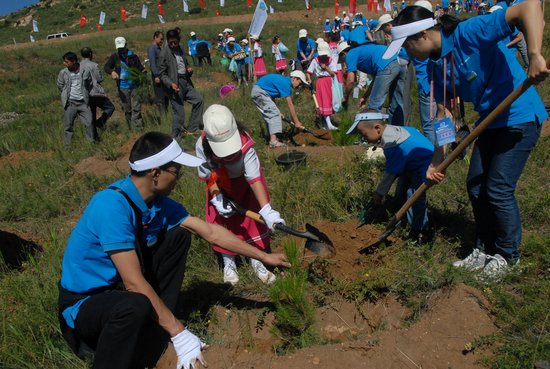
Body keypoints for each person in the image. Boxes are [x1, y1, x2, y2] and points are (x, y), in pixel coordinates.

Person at [57, 131, 291, 369]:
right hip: (86, 303)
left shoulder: (157, 204)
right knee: (134, 304)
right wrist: (180, 333)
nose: (178, 178)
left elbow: (211, 232)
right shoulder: (111, 207)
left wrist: (263, 255)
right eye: (176, 171)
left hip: (117, 289)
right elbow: (134, 284)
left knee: (178, 237)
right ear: (156, 173)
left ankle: (157, 328)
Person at [384, 1, 548, 277]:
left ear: (423, 35)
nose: (407, 53)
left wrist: (534, 55)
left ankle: (508, 255)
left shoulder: (469, 32)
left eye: (407, 46)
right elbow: (444, 115)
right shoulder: (435, 67)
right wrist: (437, 161)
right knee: (475, 186)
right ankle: (484, 248)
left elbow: (529, 7)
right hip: (489, 121)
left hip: (519, 117)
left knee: (497, 189)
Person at [195, 105, 285, 285]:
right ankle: (229, 263)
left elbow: (254, 178)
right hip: (220, 187)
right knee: (224, 224)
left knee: (252, 223)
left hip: (246, 187)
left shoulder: (245, 143)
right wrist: (217, 198)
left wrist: (266, 209)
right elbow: (208, 177)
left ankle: (257, 260)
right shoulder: (201, 146)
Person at [347, 110, 435, 243]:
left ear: (377, 128)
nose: (363, 138)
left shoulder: (393, 144)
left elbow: (390, 174)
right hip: (412, 162)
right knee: (401, 190)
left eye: (363, 134)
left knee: (414, 195)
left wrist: (380, 193)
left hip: (428, 165)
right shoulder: (394, 131)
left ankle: (421, 231)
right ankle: (402, 217)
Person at [338, 42, 406, 126]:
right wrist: (365, 96)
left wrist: (345, 97)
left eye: (342, 59)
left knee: (374, 106)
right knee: (396, 103)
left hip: (386, 65)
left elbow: (350, 81)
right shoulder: (363, 52)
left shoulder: (350, 54)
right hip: (398, 62)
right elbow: (376, 80)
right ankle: (398, 131)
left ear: (343, 53)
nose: (344, 62)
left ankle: (373, 134)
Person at [158, 29, 204, 138]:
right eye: (171, 43)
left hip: (186, 82)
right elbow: (162, 74)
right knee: (179, 113)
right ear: (168, 41)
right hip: (174, 85)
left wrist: (188, 68)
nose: (173, 45)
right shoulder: (164, 53)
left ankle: (192, 129)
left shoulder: (181, 49)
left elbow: (185, 63)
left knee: (198, 100)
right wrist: (170, 84)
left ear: (179, 40)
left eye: (175, 42)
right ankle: (175, 138)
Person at [251, 71, 310, 147]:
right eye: (300, 83)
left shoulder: (284, 80)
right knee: (274, 114)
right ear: (294, 79)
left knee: (272, 114)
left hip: (259, 91)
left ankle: (272, 138)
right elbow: (290, 104)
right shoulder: (286, 84)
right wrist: (297, 122)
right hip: (260, 92)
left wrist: (278, 111)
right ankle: (273, 141)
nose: (300, 86)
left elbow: (271, 96)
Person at [104, 36, 146, 131]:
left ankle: (137, 129)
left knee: (136, 107)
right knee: (127, 109)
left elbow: (139, 67)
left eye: (122, 47)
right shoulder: (115, 57)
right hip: (123, 87)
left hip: (135, 85)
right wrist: (112, 72)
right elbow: (106, 67)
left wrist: (143, 72)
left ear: (126, 45)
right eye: (119, 48)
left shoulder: (133, 56)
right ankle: (131, 127)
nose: (121, 50)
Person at [57, 51, 95, 146]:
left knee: (89, 123)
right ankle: (68, 146)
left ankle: (91, 143)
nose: (64, 64)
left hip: (83, 103)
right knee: (68, 126)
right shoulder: (63, 73)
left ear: (73, 61)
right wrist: (66, 95)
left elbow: (90, 84)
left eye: (66, 62)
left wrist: (86, 95)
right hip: (70, 103)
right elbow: (60, 85)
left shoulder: (85, 70)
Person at [80, 47, 115, 131]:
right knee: (110, 107)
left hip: (84, 94)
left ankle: (94, 136)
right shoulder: (94, 65)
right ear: (90, 54)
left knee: (92, 115)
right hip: (95, 93)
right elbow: (99, 79)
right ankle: (100, 122)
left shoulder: (79, 65)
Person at [306, 42, 338, 130]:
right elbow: (309, 72)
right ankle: (328, 124)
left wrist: (326, 68)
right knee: (323, 102)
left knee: (329, 101)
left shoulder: (330, 60)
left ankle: (327, 122)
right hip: (320, 82)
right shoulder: (315, 60)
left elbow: (334, 74)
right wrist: (309, 79)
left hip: (329, 82)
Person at [147, 31, 170, 115]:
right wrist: (156, 75)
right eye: (161, 39)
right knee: (160, 97)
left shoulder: (159, 48)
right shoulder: (152, 48)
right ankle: (163, 115)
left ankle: (166, 113)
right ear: (155, 38)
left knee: (166, 95)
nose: (162, 41)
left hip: (163, 75)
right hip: (157, 76)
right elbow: (152, 63)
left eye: (163, 39)